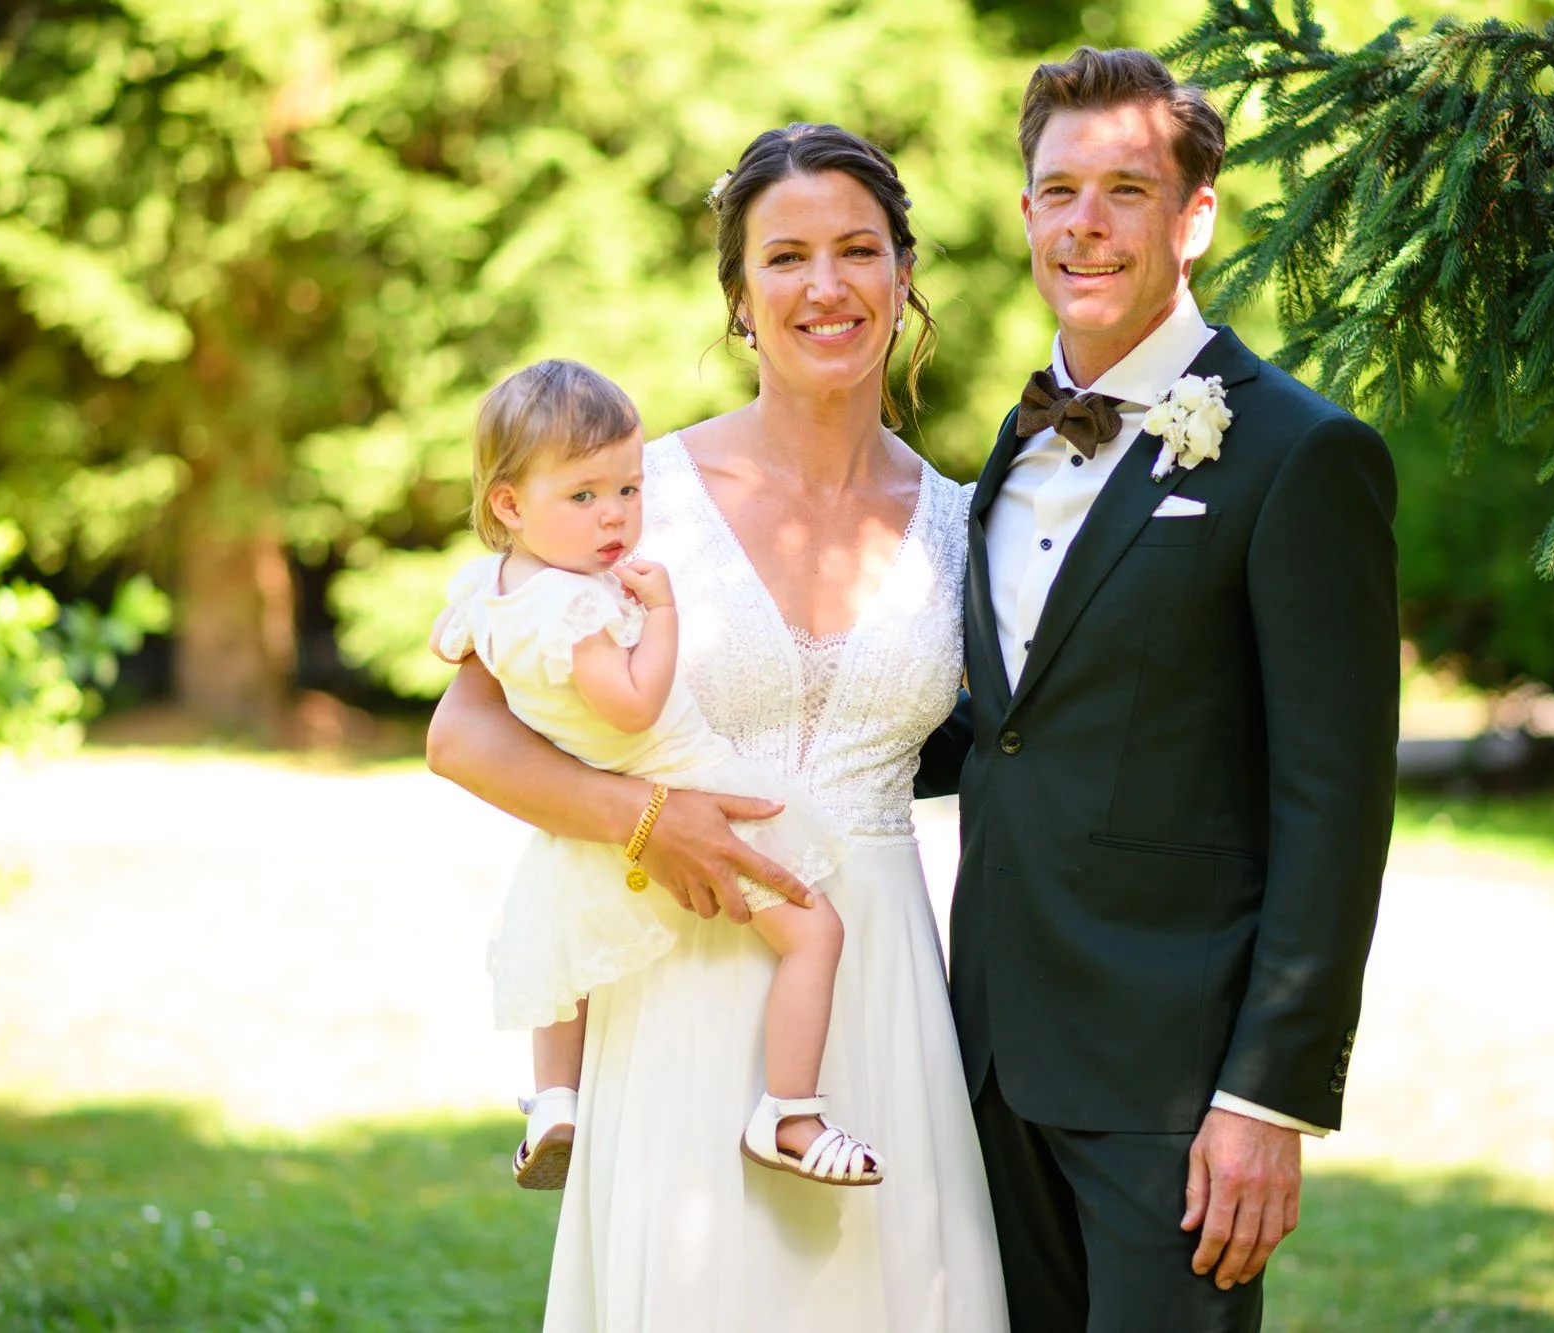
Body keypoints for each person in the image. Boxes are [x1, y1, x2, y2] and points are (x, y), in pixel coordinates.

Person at [426, 124, 1009, 1333]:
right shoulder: (633, 500)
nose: (825, 286)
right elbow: (462, 736)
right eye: (784, 257)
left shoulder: (964, 523)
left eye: (858, 250)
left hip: (874, 975)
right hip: (673, 964)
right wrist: (648, 820)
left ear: (904, 274)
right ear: (740, 296)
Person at [948, 47, 1400, 1332]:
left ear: (1194, 214)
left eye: (1125, 191)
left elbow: (1334, 803)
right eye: (1055, 190)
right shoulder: (1015, 441)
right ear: (1025, 209)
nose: (1083, 224)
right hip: (984, 1053)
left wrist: (1267, 1095)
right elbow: (1004, 728)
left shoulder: (1300, 454)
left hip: (1173, 1087)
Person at [434, 357, 876, 1191]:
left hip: (584, 807)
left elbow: (453, 637)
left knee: (567, 953)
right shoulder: (582, 606)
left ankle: (556, 1101)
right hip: (685, 778)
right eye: (585, 496)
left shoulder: (488, 589)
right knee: (815, 931)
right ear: (509, 503)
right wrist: (662, 613)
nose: (616, 518)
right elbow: (633, 704)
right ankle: (789, 1111)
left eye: (630, 491)